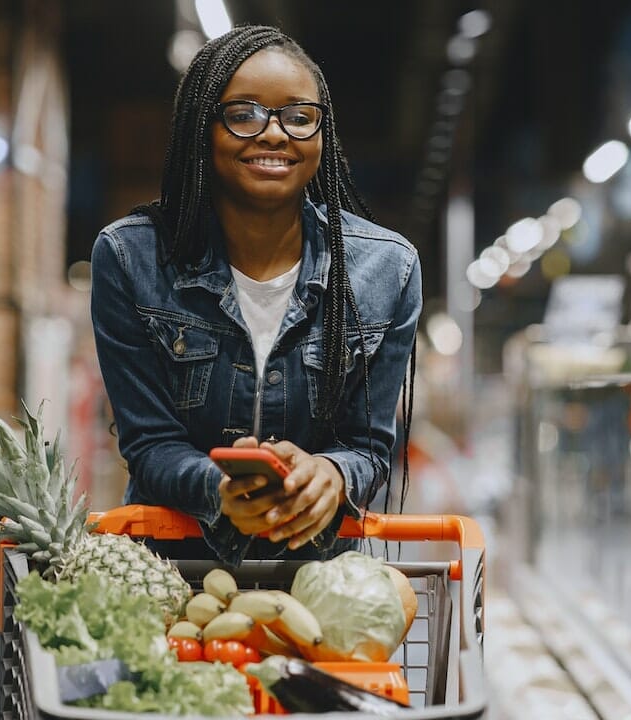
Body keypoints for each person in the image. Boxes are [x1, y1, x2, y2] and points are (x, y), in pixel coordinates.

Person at [90, 25, 421, 566]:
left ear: (322, 132)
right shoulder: (132, 259)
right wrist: (220, 491)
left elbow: (369, 447)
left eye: (298, 116)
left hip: (323, 583)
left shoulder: (386, 269)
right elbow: (149, 446)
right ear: (203, 127)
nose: (274, 134)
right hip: (173, 576)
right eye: (243, 114)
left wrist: (333, 474)